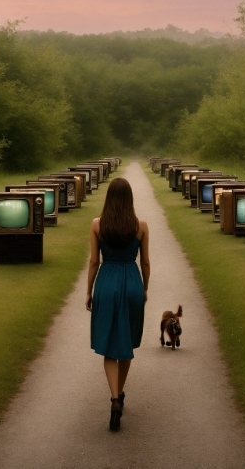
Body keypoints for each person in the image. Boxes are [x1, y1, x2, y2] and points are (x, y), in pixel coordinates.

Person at [85, 177, 150, 431]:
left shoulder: (97, 225)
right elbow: (145, 262)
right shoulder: (141, 225)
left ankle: (114, 398)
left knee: (110, 347)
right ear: (130, 199)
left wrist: (89, 292)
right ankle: (120, 393)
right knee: (126, 344)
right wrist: (143, 289)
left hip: (107, 284)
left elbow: (93, 262)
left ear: (109, 199)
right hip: (132, 282)